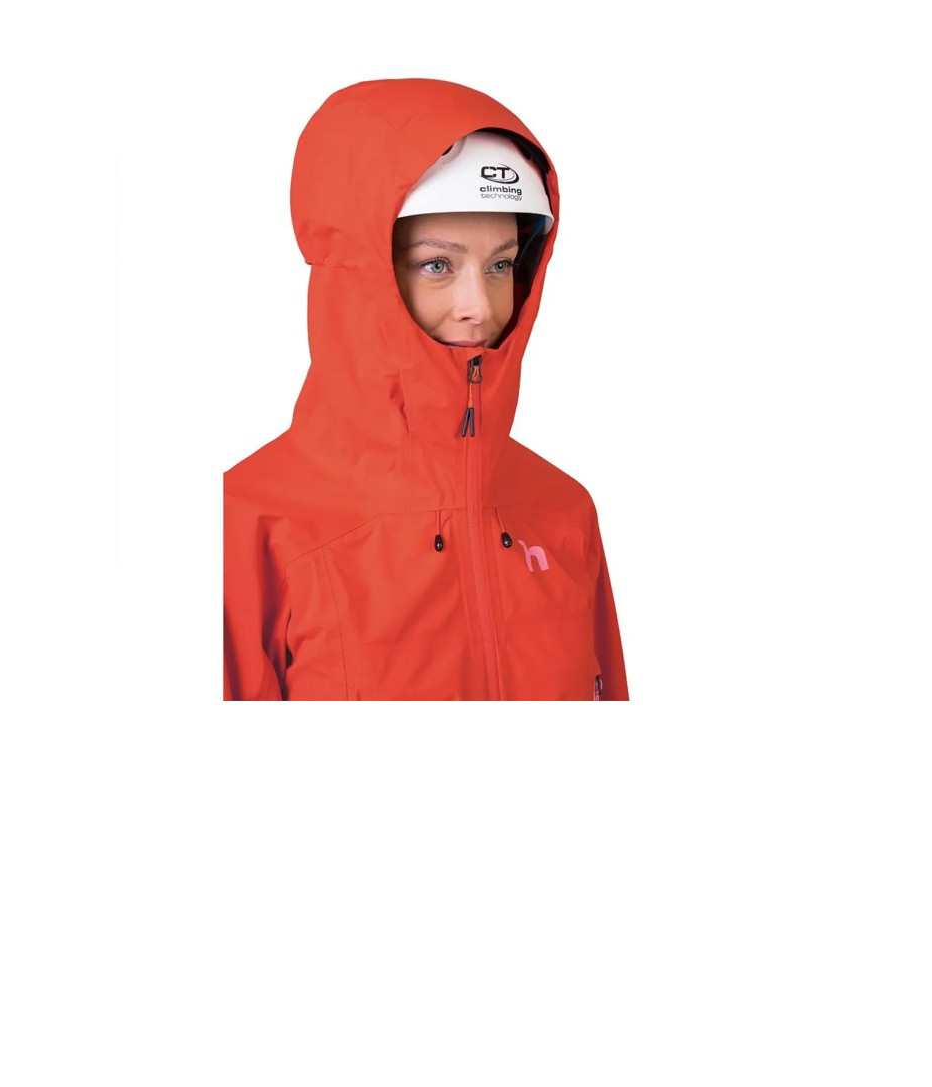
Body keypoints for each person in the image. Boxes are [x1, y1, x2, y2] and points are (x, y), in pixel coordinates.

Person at [223, 77, 629, 700]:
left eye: (501, 264)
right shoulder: (250, 523)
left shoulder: (563, 511)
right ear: (358, 275)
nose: (479, 306)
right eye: (436, 265)